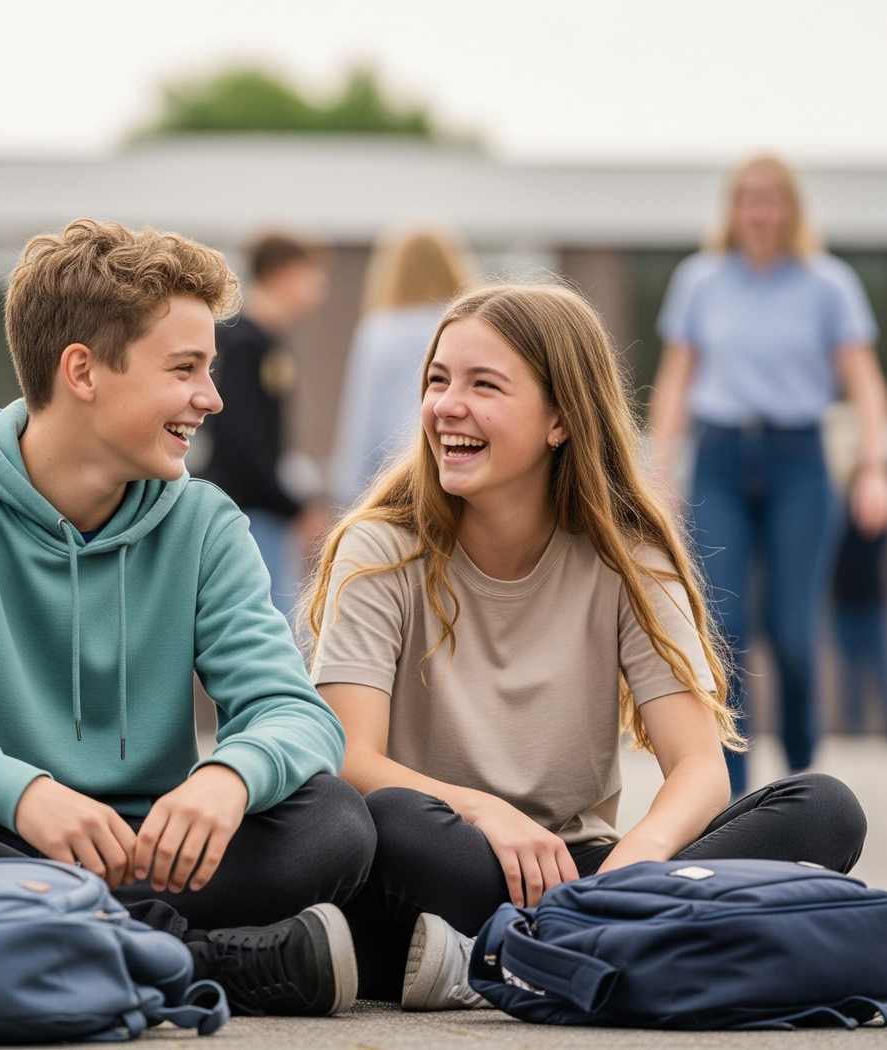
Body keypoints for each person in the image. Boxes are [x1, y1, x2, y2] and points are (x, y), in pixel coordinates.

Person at [0, 221, 374, 1018]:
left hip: (150, 857)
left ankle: (55, 943)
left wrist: (229, 777)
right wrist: (21, 793)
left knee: (334, 822)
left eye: (211, 370)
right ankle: (192, 957)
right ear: (83, 371)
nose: (212, 397)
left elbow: (294, 713)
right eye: (185, 369)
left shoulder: (204, 524)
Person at [305, 284, 868, 1009]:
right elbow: (352, 757)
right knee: (383, 822)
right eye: (438, 380)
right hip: (447, 853)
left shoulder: (629, 559)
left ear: (560, 419)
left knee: (825, 809)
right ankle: (616, 950)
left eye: (484, 385)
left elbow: (698, 765)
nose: (447, 405)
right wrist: (486, 812)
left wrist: (635, 866)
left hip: (585, 869)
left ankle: (528, 951)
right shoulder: (379, 550)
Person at [649, 156, 887, 796]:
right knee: (723, 629)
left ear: (791, 208)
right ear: (732, 207)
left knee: (792, 633)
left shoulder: (827, 284)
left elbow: (865, 384)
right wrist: (658, 474)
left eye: (772, 199)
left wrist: (875, 469)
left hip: (799, 463)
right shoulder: (700, 281)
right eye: (748, 198)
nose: (759, 211)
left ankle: (805, 768)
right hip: (721, 459)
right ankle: (734, 790)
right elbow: (676, 382)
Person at [201, 234, 327, 620]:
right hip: (248, 511)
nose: (318, 284)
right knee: (265, 625)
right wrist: (293, 507)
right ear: (281, 273)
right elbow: (241, 441)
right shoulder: (244, 342)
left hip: (262, 510)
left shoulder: (267, 342)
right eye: (309, 272)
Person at [330, 229, 472, 508]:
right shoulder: (464, 324)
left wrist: (348, 498)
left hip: (397, 483)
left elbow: (362, 421)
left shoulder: (379, 332)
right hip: (457, 463)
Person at [831, 504, 887, 733]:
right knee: (850, 671)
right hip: (844, 607)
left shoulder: (876, 521)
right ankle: (853, 727)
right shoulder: (837, 524)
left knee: (880, 668)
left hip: (872, 606)